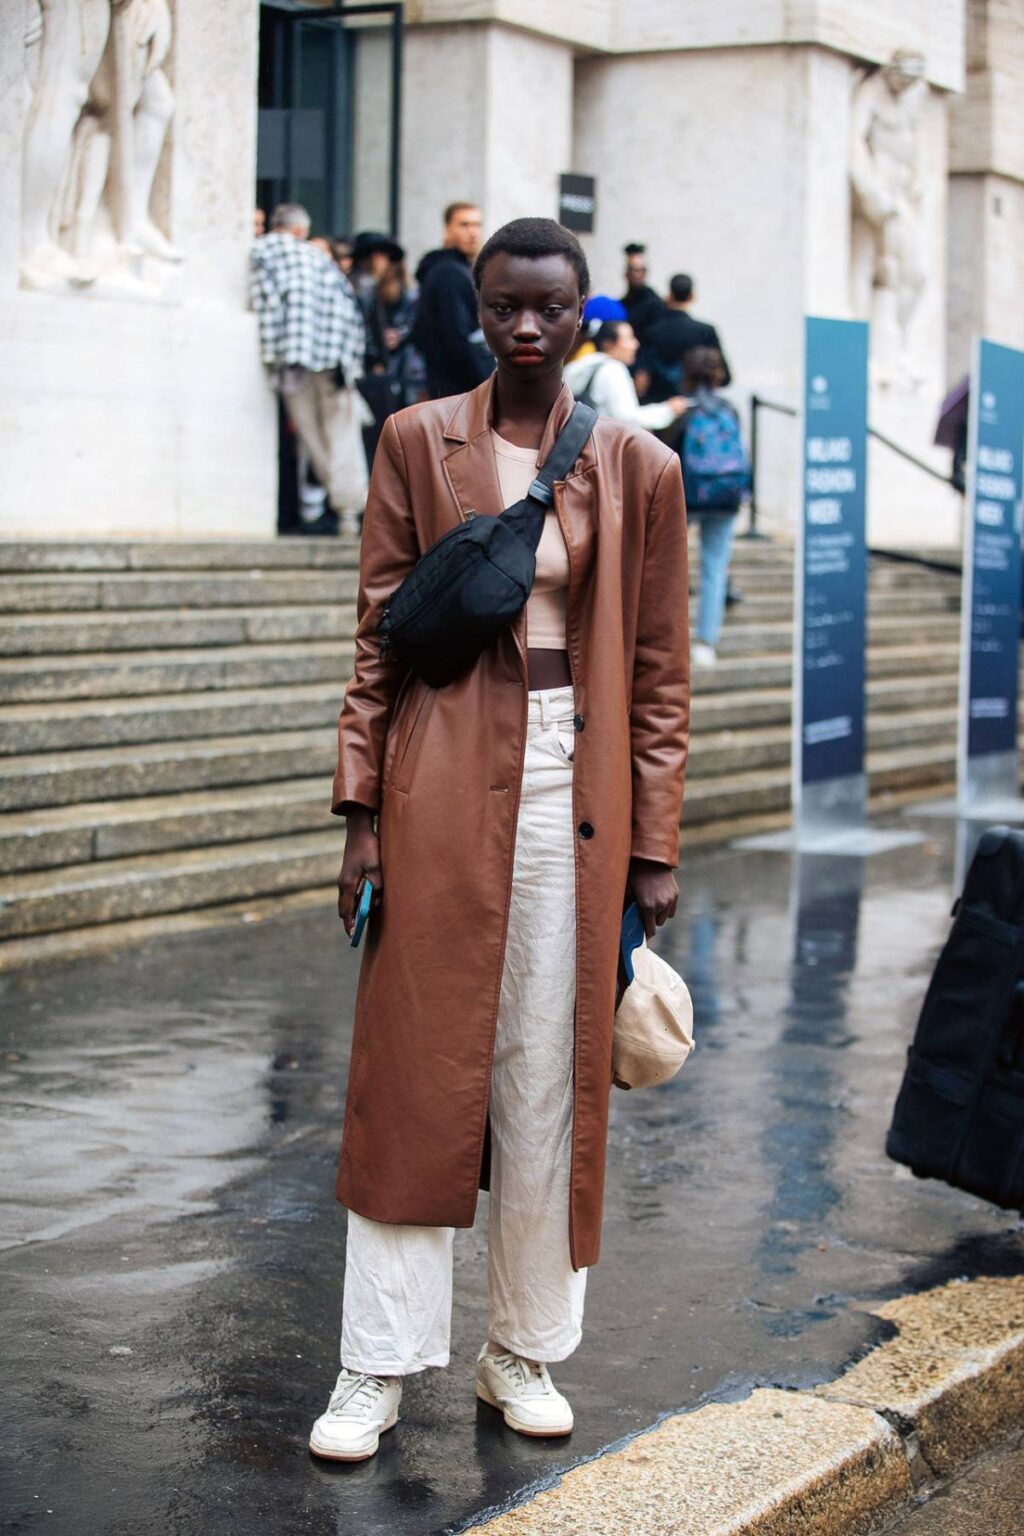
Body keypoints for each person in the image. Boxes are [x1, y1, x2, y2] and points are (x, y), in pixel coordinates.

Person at [310, 216, 690, 1462]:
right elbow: (377, 636)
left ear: (584, 312)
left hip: (576, 809)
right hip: (435, 788)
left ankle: (520, 1347)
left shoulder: (637, 467)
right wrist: (360, 809)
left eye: (549, 306)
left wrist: (656, 850)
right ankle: (375, 1363)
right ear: (474, 308)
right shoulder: (419, 440)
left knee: (548, 1077)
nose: (526, 326)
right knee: (413, 1080)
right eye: (503, 305)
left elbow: (657, 677)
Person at [249, 202, 369, 536]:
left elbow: (264, 302)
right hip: (333, 360)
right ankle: (349, 510)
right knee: (341, 436)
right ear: (301, 230)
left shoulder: (259, 253)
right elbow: (347, 309)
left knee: (311, 437)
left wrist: (277, 351)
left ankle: (340, 505)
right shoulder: (318, 260)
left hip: (289, 359)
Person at [675, 348, 749, 667]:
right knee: (715, 568)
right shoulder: (730, 410)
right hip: (725, 497)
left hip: (688, 497)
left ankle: (669, 638)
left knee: (668, 567)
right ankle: (706, 642)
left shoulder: (682, 412)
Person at [413, 201, 495, 398]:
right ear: (447, 229)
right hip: (457, 390)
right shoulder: (449, 273)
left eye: (477, 225)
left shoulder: (455, 270)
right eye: (464, 225)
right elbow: (457, 339)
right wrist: (487, 383)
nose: (473, 232)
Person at [564, 320, 687, 431]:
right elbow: (627, 419)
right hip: (598, 443)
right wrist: (668, 410)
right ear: (608, 344)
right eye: (629, 338)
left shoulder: (577, 365)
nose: (636, 344)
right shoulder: (614, 370)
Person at [640, 274, 732, 402]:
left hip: (660, 407)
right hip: (695, 407)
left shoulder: (651, 332)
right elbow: (725, 378)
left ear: (669, 296)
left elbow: (642, 377)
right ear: (692, 296)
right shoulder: (705, 331)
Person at [619, 242, 664, 346]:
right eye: (633, 270)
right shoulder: (623, 303)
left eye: (640, 271)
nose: (636, 275)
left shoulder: (654, 303)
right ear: (626, 273)